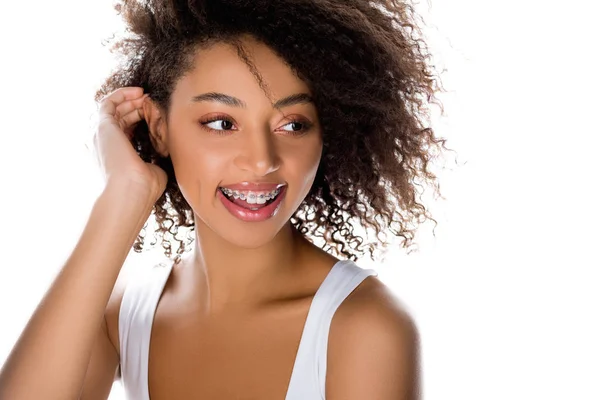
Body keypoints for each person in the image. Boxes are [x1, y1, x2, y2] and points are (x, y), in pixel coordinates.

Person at [0, 0, 448, 398]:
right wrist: (124, 196)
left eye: (292, 124)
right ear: (158, 128)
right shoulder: (122, 317)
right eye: (220, 122)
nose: (261, 162)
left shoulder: (364, 327)